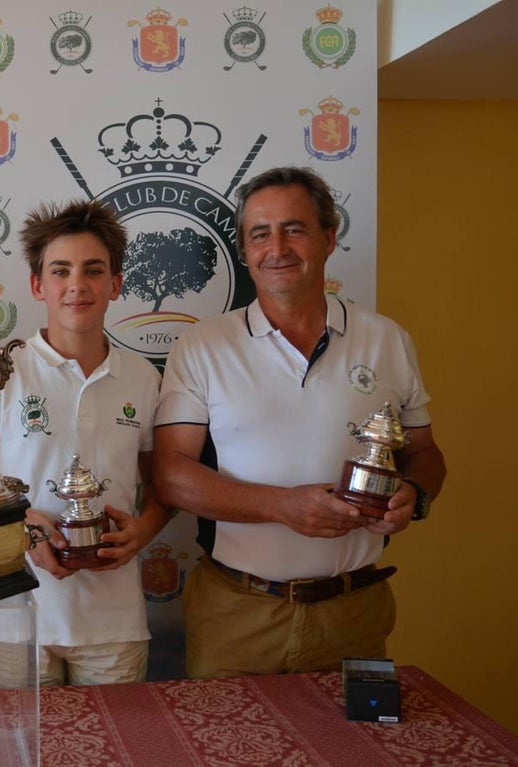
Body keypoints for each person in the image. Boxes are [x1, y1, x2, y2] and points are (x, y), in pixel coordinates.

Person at [153, 166, 447, 679]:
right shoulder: (203, 346)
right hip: (237, 614)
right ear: (244, 250)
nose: (277, 248)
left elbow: (423, 452)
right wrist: (283, 506)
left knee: (357, 735)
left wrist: (414, 493)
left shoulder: (388, 340)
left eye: (294, 229)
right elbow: (170, 475)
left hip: (355, 612)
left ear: (329, 238)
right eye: (260, 234)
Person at [0, 199, 169, 686]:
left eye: (93, 270)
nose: (77, 285)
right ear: (38, 285)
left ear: (115, 284)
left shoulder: (143, 378)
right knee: (18, 738)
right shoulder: (0, 370)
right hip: (16, 614)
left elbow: (163, 491)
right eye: (61, 270)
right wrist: (19, 523)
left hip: (114, 623)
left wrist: (143, 531)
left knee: (116, 735)